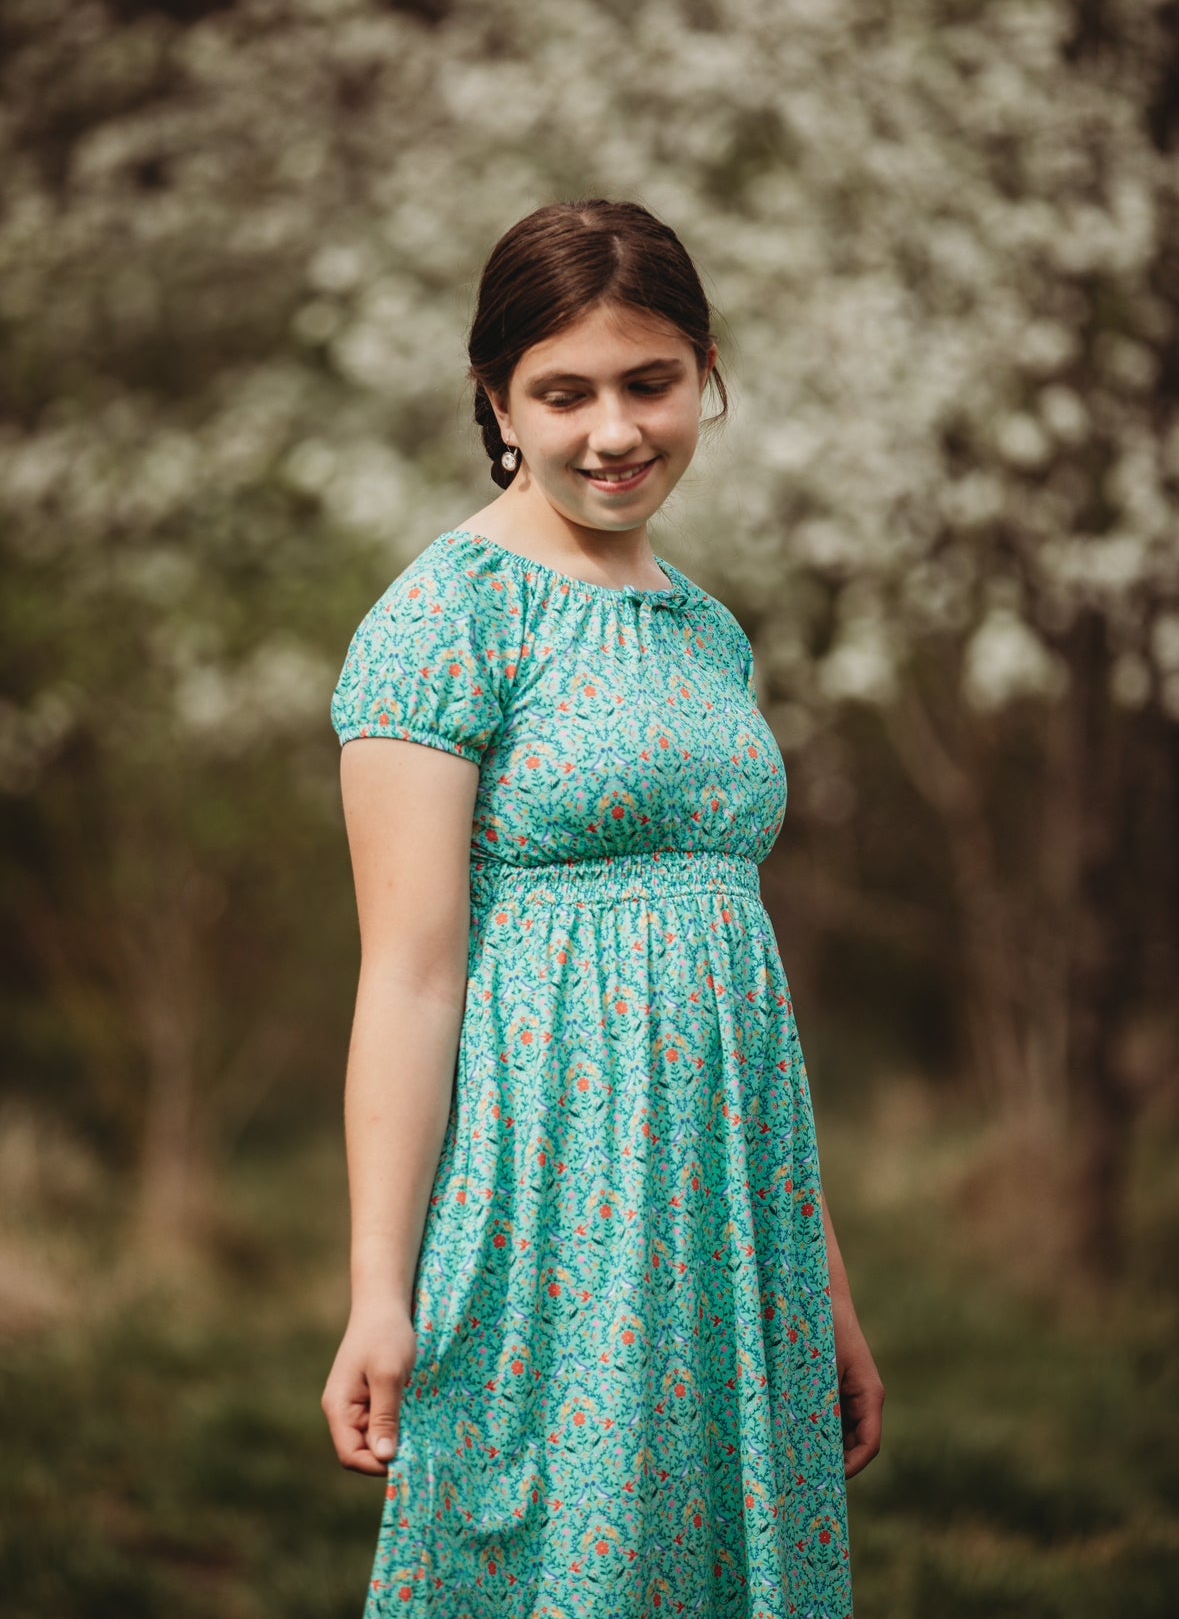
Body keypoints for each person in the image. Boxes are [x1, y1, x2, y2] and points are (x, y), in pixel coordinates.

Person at [322, 199, 883, 1616]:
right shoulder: (447, 619)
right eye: (562, 394)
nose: (615, 431)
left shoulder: (706, 628)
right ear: (495, 401)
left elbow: (733, 976)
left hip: (729, 1216)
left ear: (706, 370)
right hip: (552, 1207)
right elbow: (409, 977)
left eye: (651, 382)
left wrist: (821, 1287)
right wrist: (378, 1288)